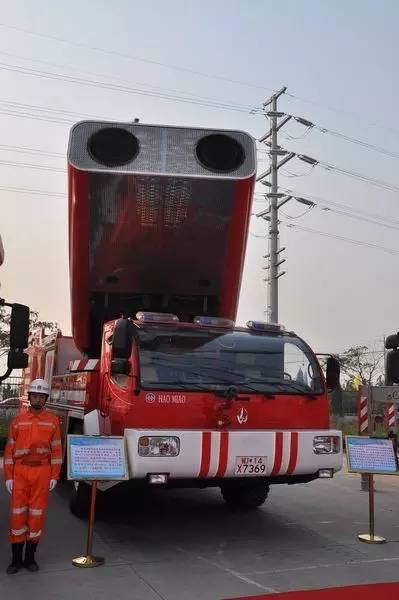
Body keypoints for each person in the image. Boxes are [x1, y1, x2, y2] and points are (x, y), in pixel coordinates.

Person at [3, 378, 62, 574]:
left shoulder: (53, 422)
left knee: (36, 516)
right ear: (29, 397)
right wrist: (9, 477)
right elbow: (9, 451)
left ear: (45, 399)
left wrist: (54, 475)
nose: (37, 399)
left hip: (41, 472)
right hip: (20, 472)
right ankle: (15, 560)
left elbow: (56, 452)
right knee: (17, 516)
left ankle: (30, 558)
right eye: (34, 395)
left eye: (41, 396)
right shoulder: (18, 421)